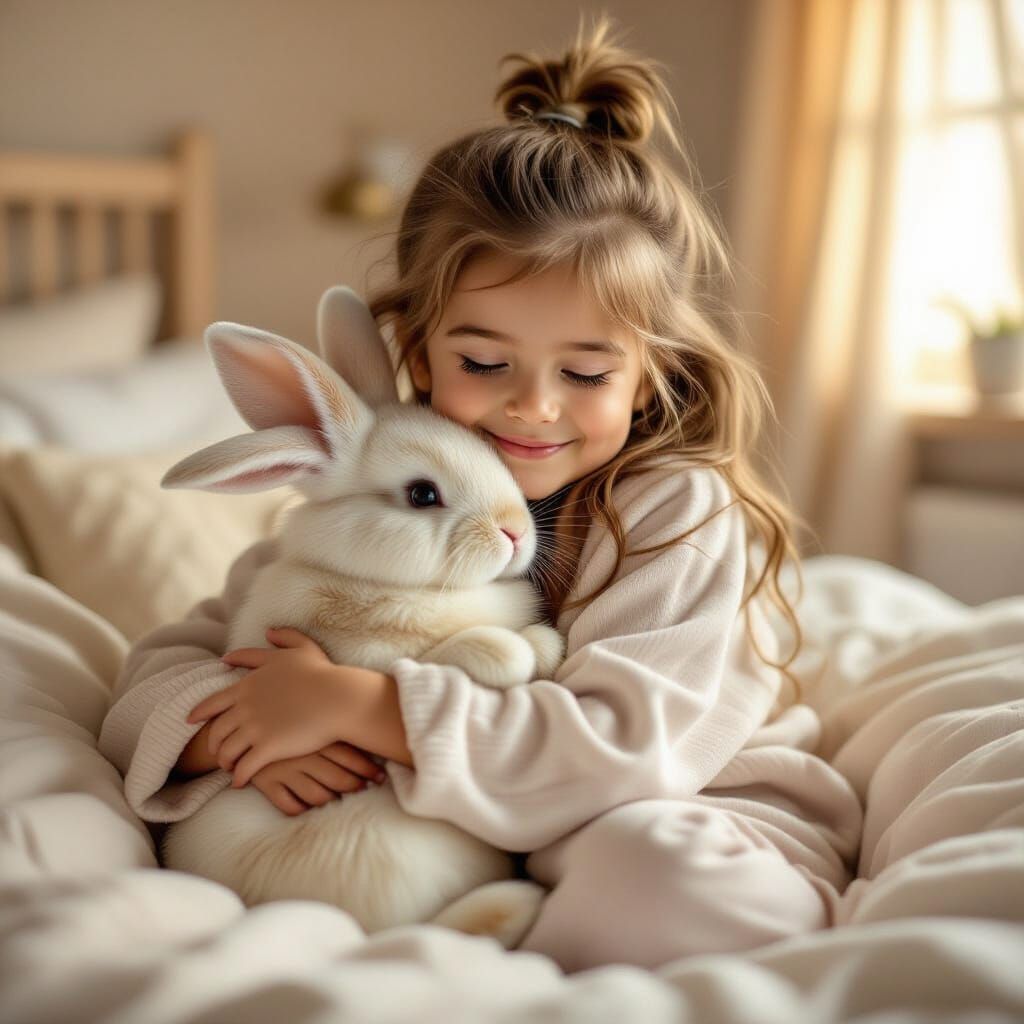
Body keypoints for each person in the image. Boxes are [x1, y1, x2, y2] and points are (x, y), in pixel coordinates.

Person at [98, 16, 863, 973]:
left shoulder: (674, 509)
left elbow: (627, 753)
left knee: (660, 881)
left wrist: (359, 706)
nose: (533, 407)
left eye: (585, 374)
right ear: (417, 350)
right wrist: (239, 734)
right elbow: (160, 674)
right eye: (485, 359)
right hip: (476, 846)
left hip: (681, 802)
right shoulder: (378, 498)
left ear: (649, 377)